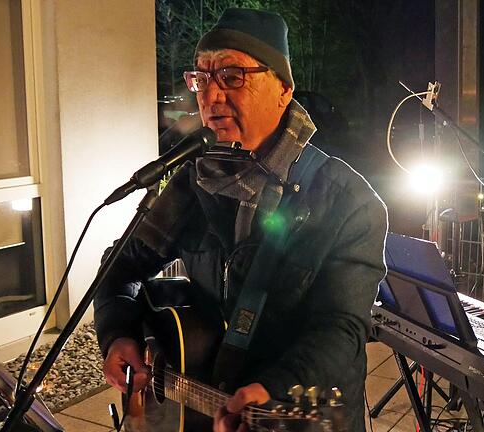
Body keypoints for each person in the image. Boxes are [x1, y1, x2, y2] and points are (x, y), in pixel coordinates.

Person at [93, 8, 387, 432]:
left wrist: (276, 387)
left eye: (232, 76)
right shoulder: (193, 182)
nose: (210, 97)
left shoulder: (349, 201)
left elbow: (341, 329)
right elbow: (121, 265)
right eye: (201, 78)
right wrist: (118, 332)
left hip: (302, 412)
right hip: (205, 405)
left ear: (284, 89)